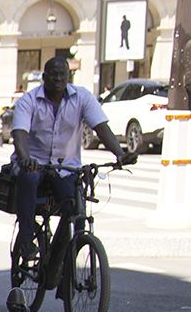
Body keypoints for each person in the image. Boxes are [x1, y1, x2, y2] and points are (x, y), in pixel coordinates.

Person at [9, 55, 128, 282]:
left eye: (62, 75)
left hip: (65, 167)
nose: (57, 79)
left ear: (68, 77)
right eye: (53, 74)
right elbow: (19, 134)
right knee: (29, 178)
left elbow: (101, 128)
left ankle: (61, 260)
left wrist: (120, 154)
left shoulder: (82, 97)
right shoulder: (29, 101)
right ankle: (26, 239)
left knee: (75, 210)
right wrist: (25, 159)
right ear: (44, 77)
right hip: (33, 162)